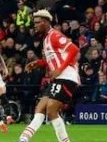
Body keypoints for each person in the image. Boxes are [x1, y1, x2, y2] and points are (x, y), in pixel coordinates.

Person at [18, 10, 79, 142]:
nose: (35, 25)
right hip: (58, 78)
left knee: (51, 109)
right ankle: (23, 139)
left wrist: (59, 69)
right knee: (40, 108)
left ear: (45, 22)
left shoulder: (55, 35)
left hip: (67, 76)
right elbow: (50, 59)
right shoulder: (45, 40)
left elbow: (74, 49)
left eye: (37, 22)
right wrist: (37, 63)